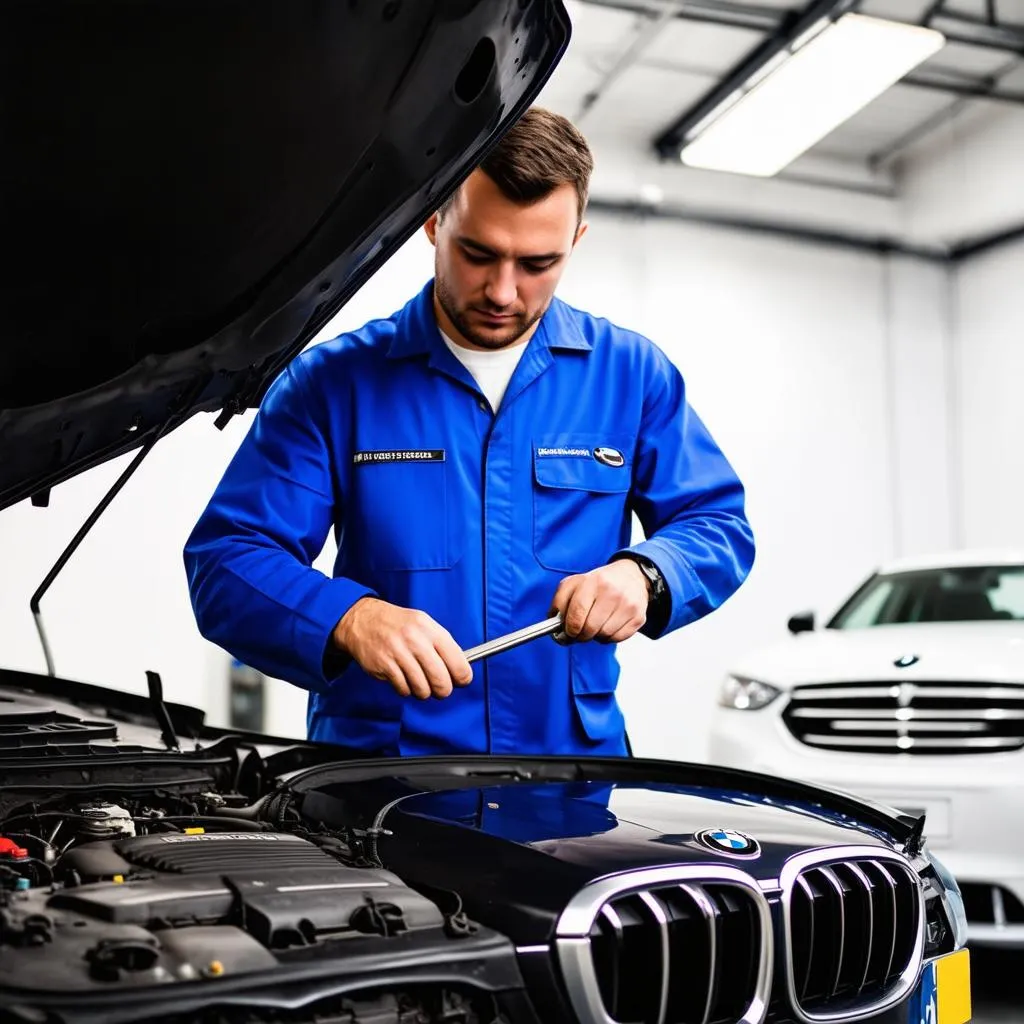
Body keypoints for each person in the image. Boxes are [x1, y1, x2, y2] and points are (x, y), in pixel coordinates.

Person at [183, 107, 754, 758]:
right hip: (377, 781)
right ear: (433, 222)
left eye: (538, 263)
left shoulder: (631, 375)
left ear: (577, 240)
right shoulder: (334, 384)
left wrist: (646, 575)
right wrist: (347, 617)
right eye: (478, 254)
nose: (503, 291)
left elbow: (717, 525)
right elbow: (227, 560)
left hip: (567, 776)